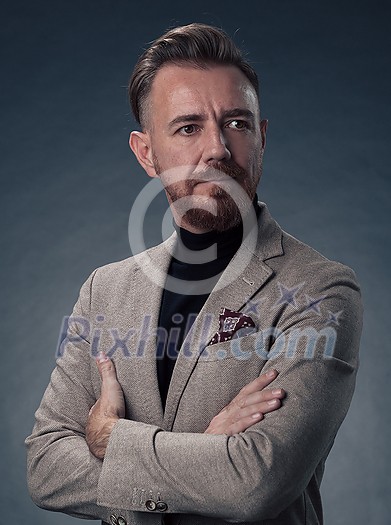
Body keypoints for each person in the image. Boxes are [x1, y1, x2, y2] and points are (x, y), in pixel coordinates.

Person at [26, 23, 363, 525]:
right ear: (146, 153)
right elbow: (46, 467)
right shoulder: (105, 290)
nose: (219, 150)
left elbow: (256, 481)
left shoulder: (321, 292)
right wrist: (206, 450)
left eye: (237, 123)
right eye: (188, 128)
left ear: (261, 137)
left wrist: (112, 439)